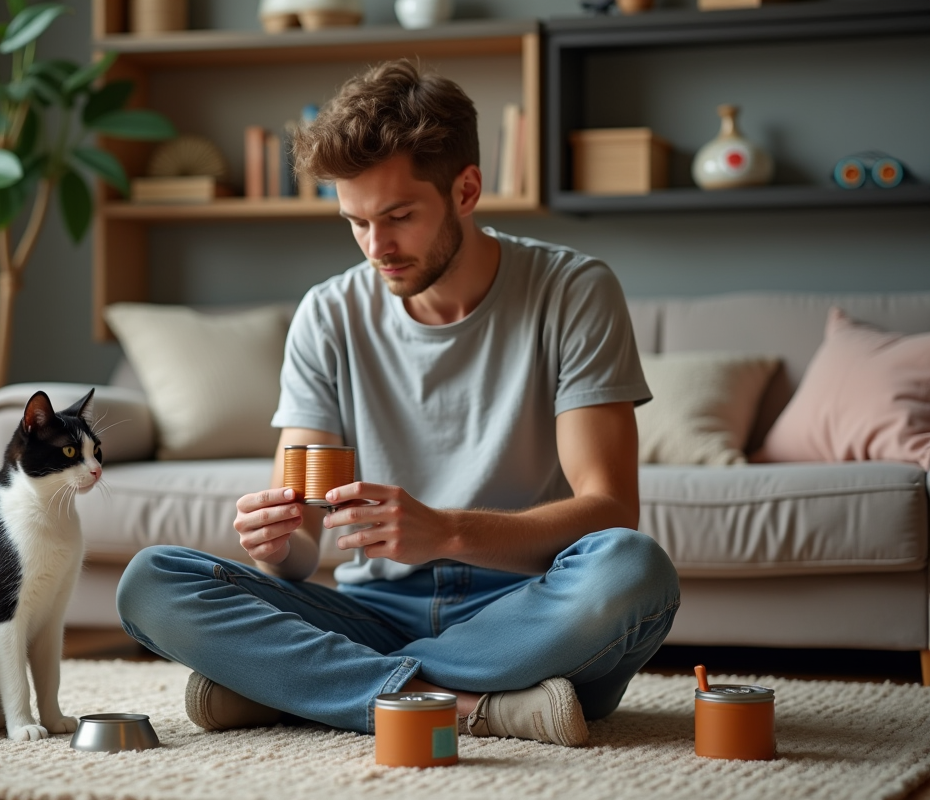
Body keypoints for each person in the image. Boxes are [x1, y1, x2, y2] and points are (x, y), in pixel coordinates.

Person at [117, 59, 679, 747]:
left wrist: (446, 532)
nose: (377, 249)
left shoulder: (573, 292)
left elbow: (610, 509)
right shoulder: (327, 314)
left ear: (467, 189)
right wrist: (276, 543)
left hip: (524, 611)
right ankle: (471, 706)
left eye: (399, 217)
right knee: (152, 581)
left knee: (632, 570)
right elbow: (300, 548)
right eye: (355, 222)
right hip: (374, 610)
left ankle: (308, 687)